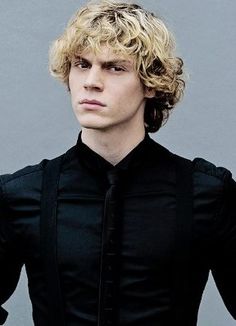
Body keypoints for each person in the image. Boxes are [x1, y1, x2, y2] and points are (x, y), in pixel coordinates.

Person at [0, 0, 235, 325]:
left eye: (115, 67)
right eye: (82, 64)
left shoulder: (206, 193)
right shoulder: (21, 194)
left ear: (151, 83)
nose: (91, 81)